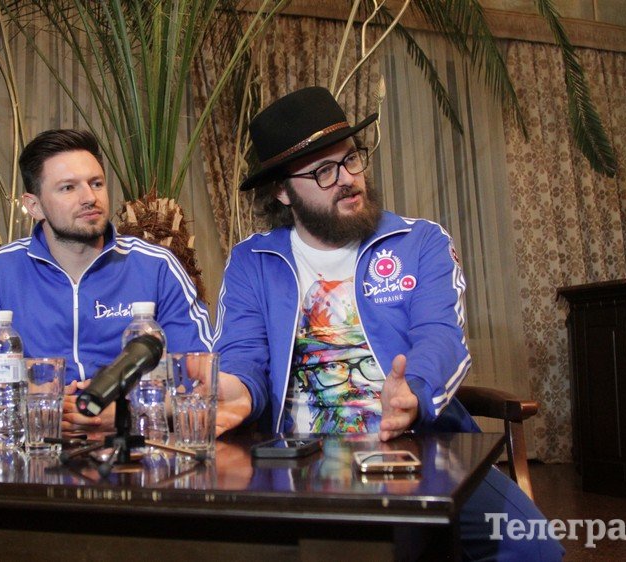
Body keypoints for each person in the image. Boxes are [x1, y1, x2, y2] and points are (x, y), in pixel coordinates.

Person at [213, 86, 563, 560]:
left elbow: (440, 337)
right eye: (323, 171)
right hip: (297, 460)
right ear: (282, 190)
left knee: (532, 546)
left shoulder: (419, 241)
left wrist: (414, 390)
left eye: (351, 158)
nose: (348, 179)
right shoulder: (252, 261)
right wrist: (236, 388)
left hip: (416, 447)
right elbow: (243, 356)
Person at [0, 129, 212, 433]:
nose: (89, 198)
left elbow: (202, 374)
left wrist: (128, 410)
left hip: (134, 447)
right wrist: (25, 403)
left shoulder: (156, 266)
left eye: (96, 183)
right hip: (34, 447)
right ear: (34, 206)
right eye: (68, 188)